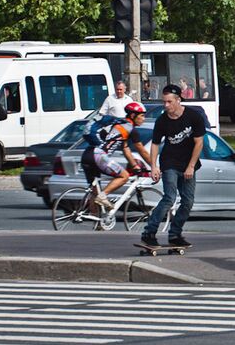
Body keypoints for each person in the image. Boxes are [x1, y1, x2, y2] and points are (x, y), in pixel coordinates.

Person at [140, 84, 206, 247]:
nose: (166, 105)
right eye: (164, 102)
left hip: (188, 164)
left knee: (188, 201)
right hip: (169, 162)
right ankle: (149, 232)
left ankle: (175, 234)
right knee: (169, 197)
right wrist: (154, 166)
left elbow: (199, 143)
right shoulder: (162, 120)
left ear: (178, 100)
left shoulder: (193, 116)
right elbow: (155, 144)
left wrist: (191, 166)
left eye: (169, 102)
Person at [81, 102, 151, 209]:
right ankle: (103, 196)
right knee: (124, 176)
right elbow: (142, 151)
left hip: (87, 154)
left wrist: (134, 165)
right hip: (98, 155)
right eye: (141, 115)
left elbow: (125, 148)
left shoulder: (119, 125)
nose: (143, 119)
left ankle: (96, 221)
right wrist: (154, 166)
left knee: (95, 191)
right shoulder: (131, 129)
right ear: (133, 115)